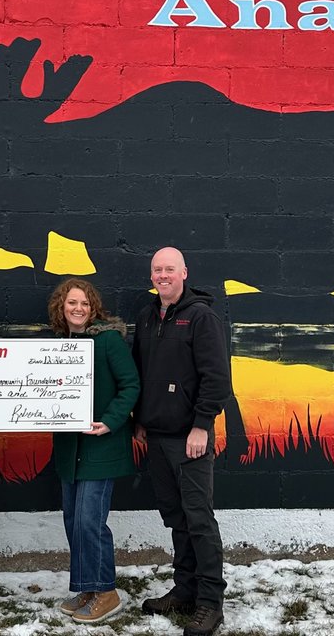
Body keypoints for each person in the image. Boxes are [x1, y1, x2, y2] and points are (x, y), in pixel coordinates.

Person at [132, 247, 231, 636]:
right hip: (156, 437)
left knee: (199, 519)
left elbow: (217, 378)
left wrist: (201, 425)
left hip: (190, 438)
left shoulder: (202, 317)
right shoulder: (146, 317)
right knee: (176, 519)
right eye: (157, 270)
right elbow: (141, 372)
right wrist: (140, 419)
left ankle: (210, 602)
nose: (162, 276)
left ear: (184, 273)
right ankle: (185, 589)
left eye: (169, 269)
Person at [48, 278, 140, 625]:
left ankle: (107, 591)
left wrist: (110, 421)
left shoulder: (108, 341)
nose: (78, 309)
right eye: (72, 303)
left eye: (84, 304)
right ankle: (87, 588)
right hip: (70, 449)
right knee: (74, 520)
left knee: (90, 520)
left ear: (93, 308)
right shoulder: (58, 345)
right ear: (62, 307)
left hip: (101, 444)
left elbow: (131, 384)